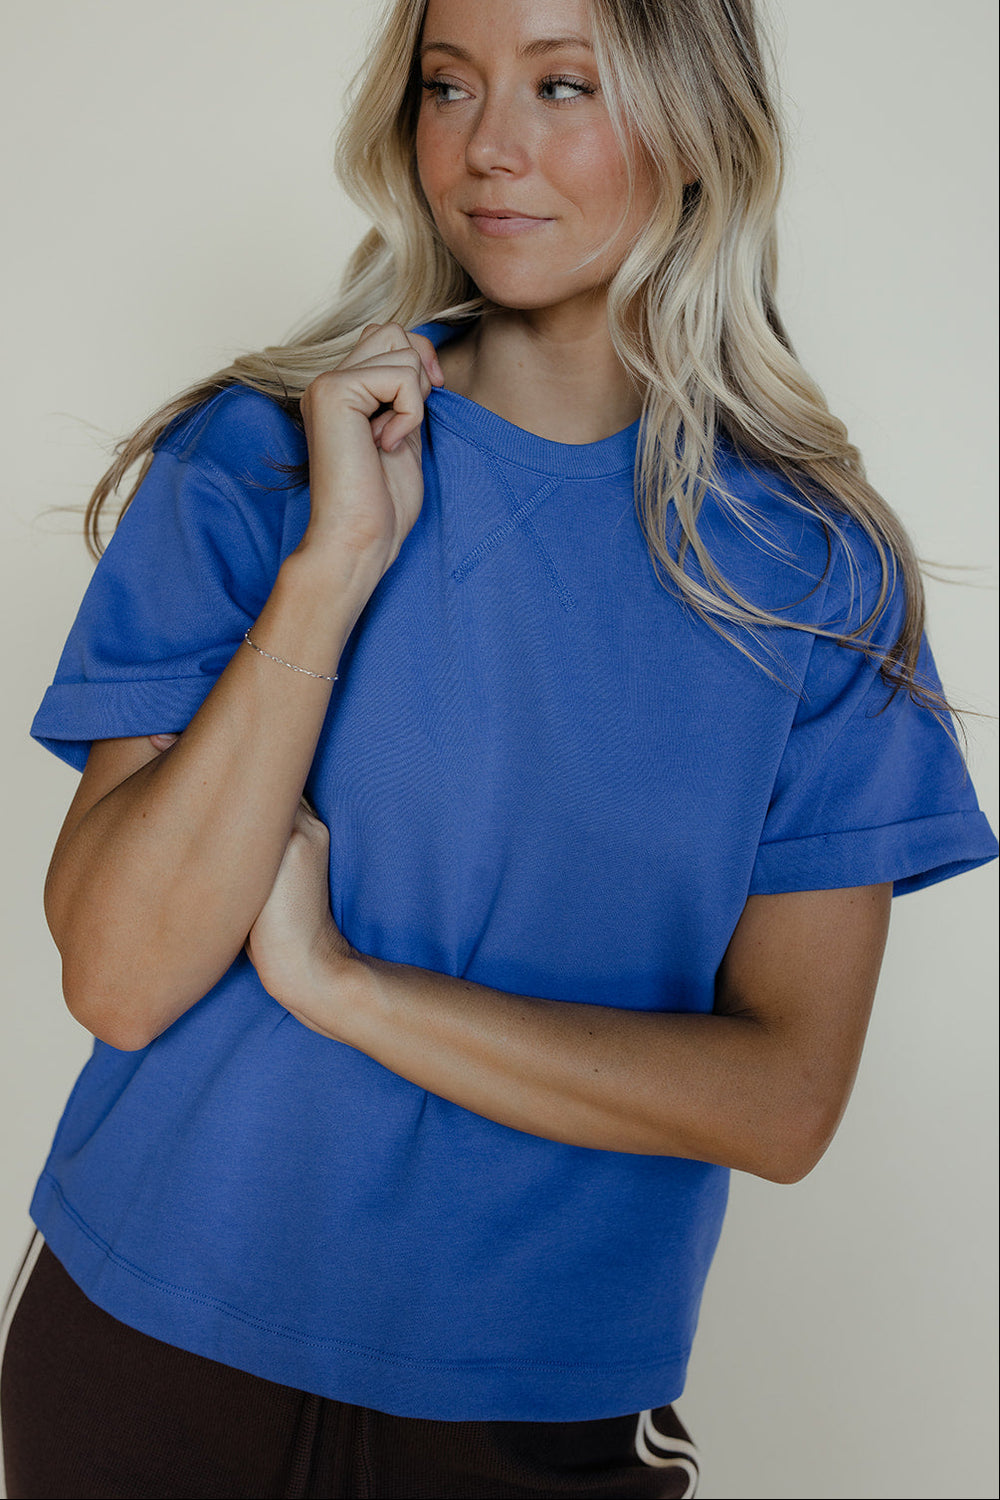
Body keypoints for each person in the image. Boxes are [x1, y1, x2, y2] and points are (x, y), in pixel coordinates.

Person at [1, 0, 996, 1495]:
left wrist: (337, 985)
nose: (489, 149)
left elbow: (782, 1103)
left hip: (536, 1407)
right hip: (153, 1336)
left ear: (693, 122)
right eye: (447, 86)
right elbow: (122, 975)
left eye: (564, 85)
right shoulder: (259, 459)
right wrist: (335, 566)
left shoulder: (808, 572)